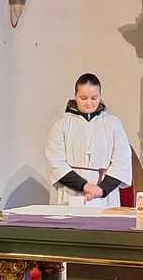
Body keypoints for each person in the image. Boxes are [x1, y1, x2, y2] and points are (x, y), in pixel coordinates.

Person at [45, 73, 133, 209]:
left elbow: (122, 161)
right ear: (75, 96)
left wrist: (101, 190)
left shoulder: (113, 124)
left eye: (94, 98)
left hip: (105, 196)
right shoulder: (62, 125)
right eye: (83, 98)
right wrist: (85, 186)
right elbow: (55, 162)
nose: (89, 103)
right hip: (70, 193)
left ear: (100, 96)